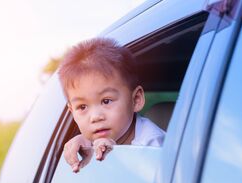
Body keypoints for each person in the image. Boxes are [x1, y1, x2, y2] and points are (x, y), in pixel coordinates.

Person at [58, 37, 165, 173]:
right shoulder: (85, 145)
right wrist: (86, 143)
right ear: (72, 112)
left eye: (106, 101)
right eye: (82, 107)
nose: (95, 117)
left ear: (136, 100)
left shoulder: (154, 145)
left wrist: (117, 155)